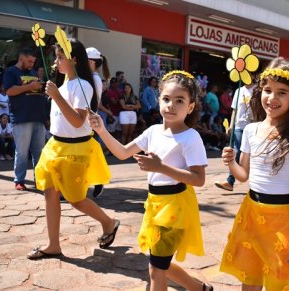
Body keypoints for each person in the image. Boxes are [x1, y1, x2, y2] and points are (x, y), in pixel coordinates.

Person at [89, 70, 213, 291]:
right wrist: (102, 129)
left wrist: (160, 167)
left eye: (179, 101)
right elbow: (123, 152)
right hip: (155, 205)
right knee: (159, 261)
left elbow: (198, 179)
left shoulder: (191, 137)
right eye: (166, 99)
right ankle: (198, 288)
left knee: (156, 269)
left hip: (176, 208)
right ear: (158, 100)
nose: (171, 105)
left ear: (191, 107)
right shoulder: (153, 131)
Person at [220, 58, 289, 290]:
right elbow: (243, 175)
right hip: (251, 215)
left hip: (285, 221)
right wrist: (231, 164)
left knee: (281, 282)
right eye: (268, 90)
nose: (272, 98)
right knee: (250, 281)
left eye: (282, 92)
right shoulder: (250, 130)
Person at [26, 38, 119, 260]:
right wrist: (56, 95)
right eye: (56, 57)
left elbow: (78, 121)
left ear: (74, 60)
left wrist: (56, 97)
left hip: (75, 150)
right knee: (50, 194)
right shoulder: (64, 84)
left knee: (76, 199)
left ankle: (108, 222)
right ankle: (53, 245)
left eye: (60, 57)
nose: (56, 62)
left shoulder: (83, 85)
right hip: (55, 147)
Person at [3, 47, 47, 191]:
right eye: (29, 61)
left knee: (39, 151)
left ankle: (39, 179)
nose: (31, 65)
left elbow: (34, 92)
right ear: (21, 58)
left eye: (33, 62)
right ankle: (19, 180)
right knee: (22, 152)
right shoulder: (11, 72)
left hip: (38, 118)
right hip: (21, 118)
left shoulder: (33, 73)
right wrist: (30, 86)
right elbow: (9, 91)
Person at [215, 83, 254, 192]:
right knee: (236, 151)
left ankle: (255, 183)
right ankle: (230, 181)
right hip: (239, 126)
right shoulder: (239, 90)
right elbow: (235, 110)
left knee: (251, 154)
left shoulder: (258, 89)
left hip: (252, 126)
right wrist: (231, 125)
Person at [86, 46, 112, 198]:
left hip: (89, 121)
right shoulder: (91, 77)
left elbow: (92, 102)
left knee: (91, 153)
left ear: (90, 62)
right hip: (86, 121)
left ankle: (98, 180)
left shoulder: (94, 79)